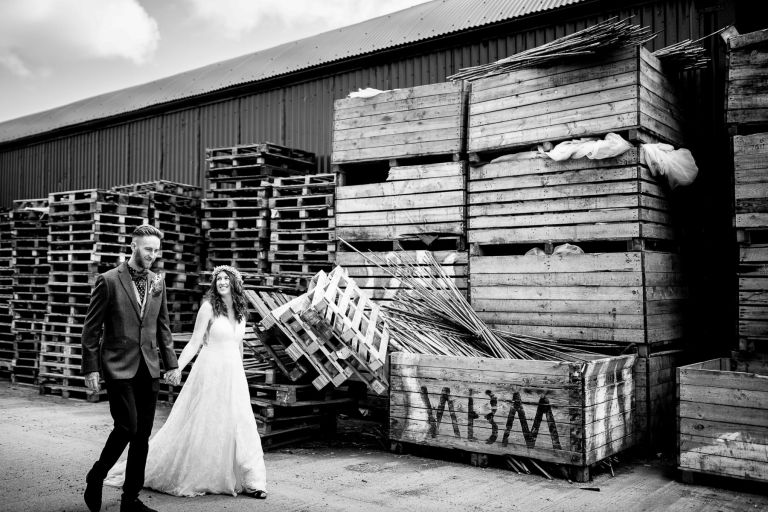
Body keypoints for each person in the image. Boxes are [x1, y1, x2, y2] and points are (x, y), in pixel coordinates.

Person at [103, 264, 268, 499]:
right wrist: (176, 367)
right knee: (206, 422)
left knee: (240, 423)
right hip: (210, 372)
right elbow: (195, 342)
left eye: (226, 279)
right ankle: (201, 473)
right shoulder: (209, 308)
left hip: (233, 375)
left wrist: (240, 372)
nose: (222, 282)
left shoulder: (241, 310)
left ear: (235, 283)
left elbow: (238, 344)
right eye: (218, 279)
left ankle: (253, 480)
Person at [81, 224, 180, 512]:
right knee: (127, 426)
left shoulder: (158, 282)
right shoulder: (108, 280)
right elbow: (91, 328)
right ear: (133, 246)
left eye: (156, 251)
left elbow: (163, 326)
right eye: (148, 249)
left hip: (148, 367)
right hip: (117, 366)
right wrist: (91, 368)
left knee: (142, 435)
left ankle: (130, 499)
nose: (153, 255)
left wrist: (171, 363)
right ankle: (97, 474)